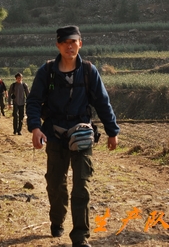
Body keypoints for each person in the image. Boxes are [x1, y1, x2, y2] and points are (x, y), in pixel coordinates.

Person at [26, 25, 120, 247]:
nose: (70, 46)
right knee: (55, 185)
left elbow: (102, 102)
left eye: (73, 41)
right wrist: (35, 128)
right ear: (58, 45)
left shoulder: (89, 71)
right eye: (65, 42)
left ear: (80, 43)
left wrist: (112, 131)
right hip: (55, 135)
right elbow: (33, 102)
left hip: (82, 136)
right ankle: (57, 219)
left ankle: (80, 237)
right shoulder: (46, 71)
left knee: (81, 186)